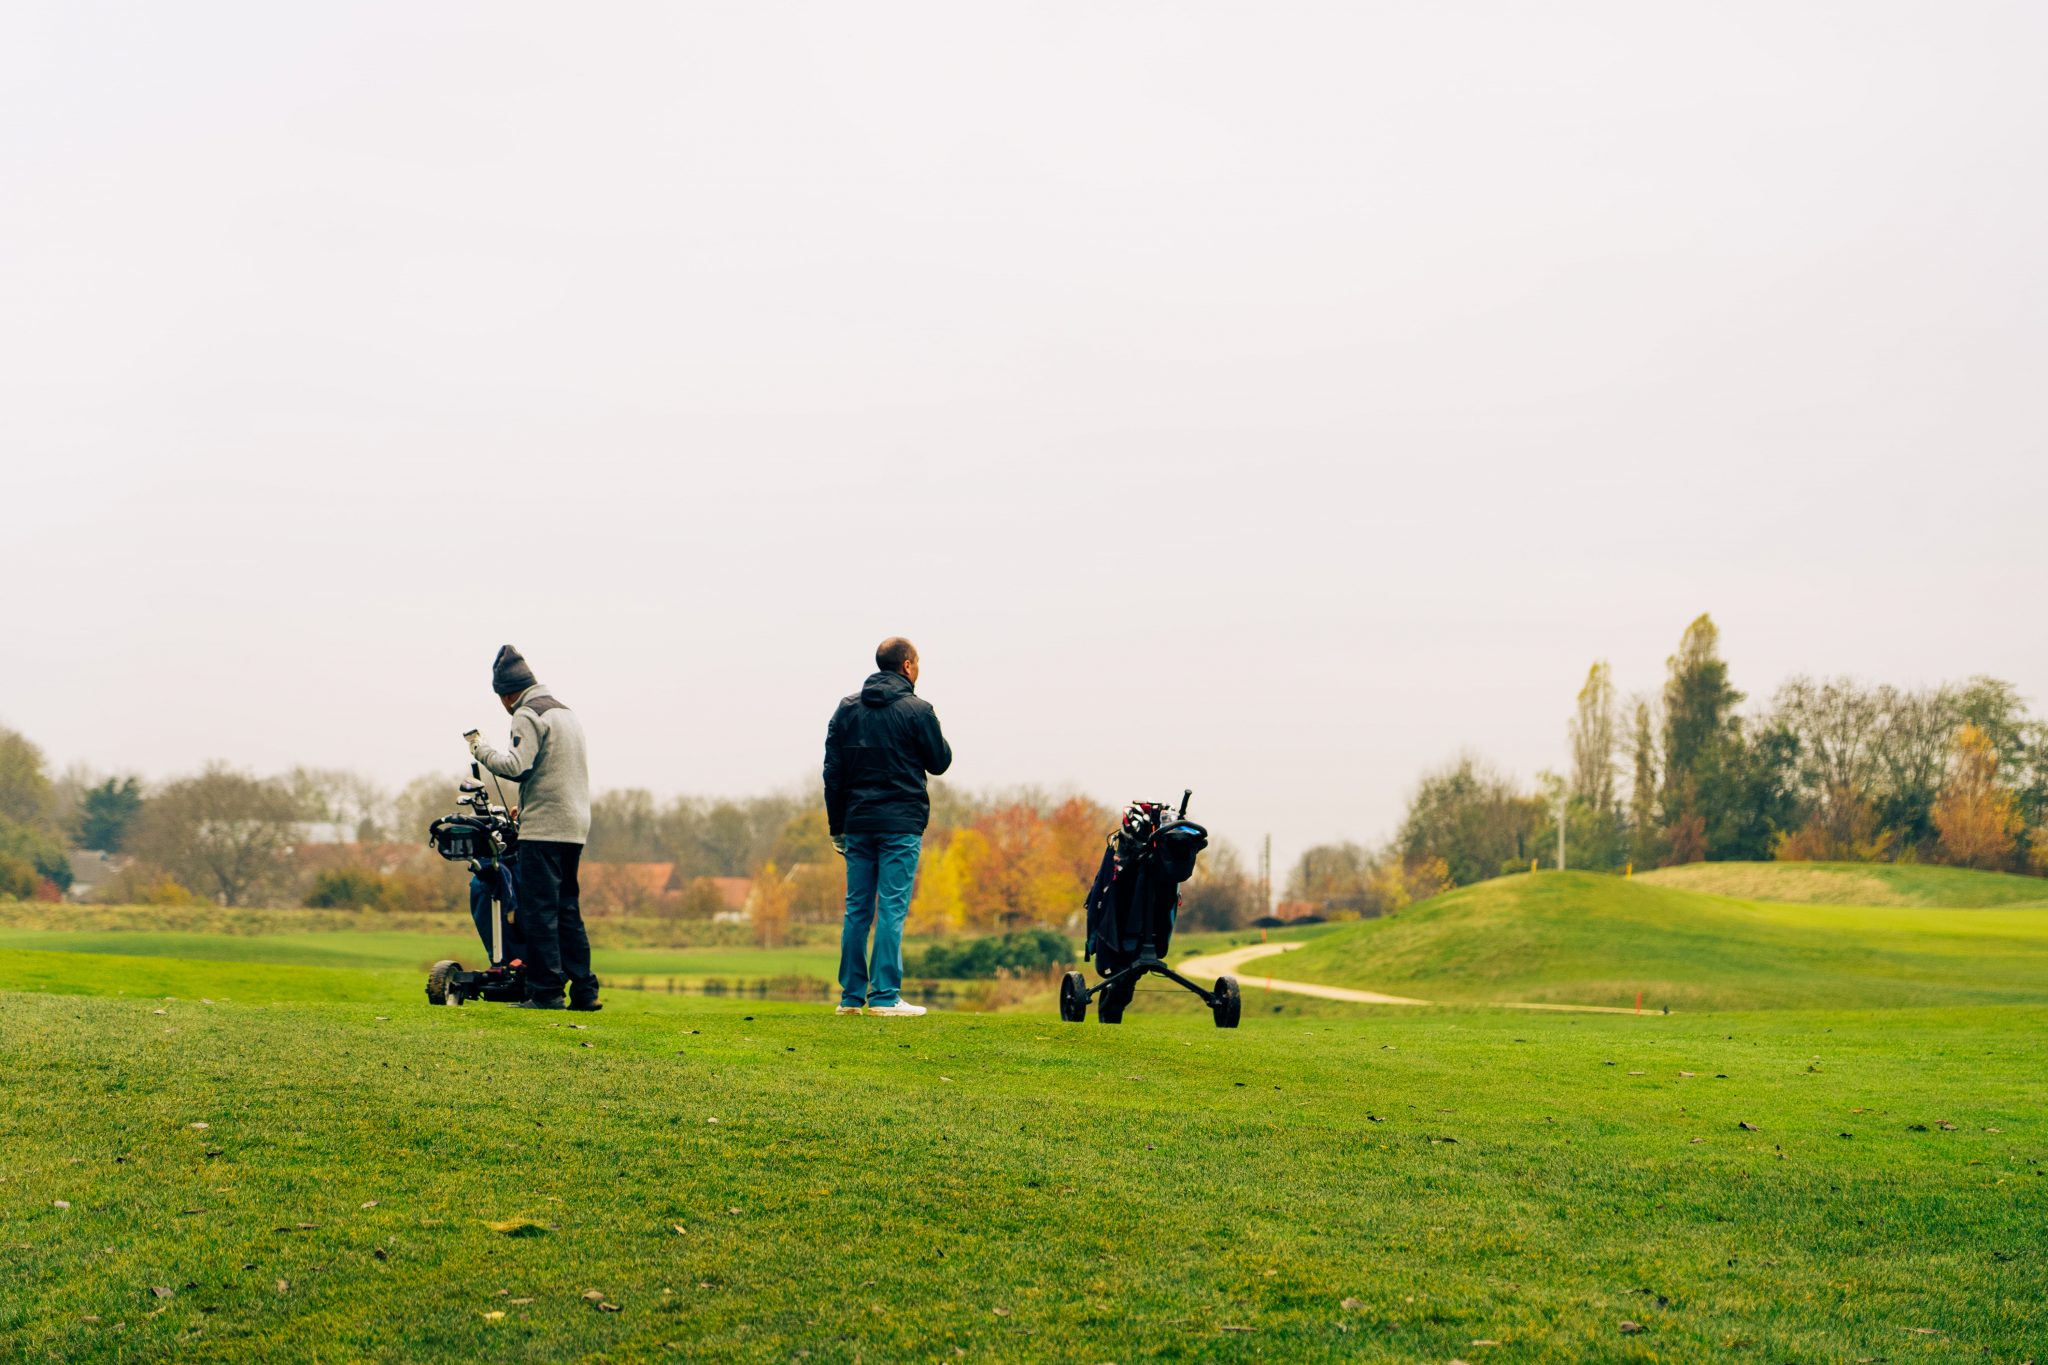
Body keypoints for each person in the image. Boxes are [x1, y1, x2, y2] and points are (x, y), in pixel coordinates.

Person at [823, 636, 952, 1017]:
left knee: (857, 909)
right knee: (892, 907)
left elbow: (832, 773)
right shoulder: (918, 710)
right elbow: (940, 761)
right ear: (908, 666)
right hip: (900, 823)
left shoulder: (846, 710)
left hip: (858, 822)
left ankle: (850, 997)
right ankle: (884, 997)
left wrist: (837, 826)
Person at [466, 645, 598, 1011]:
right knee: (567, 909)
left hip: (545, 831)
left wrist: (481, 750)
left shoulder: (527, 713)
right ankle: (585, 992)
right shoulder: (564, 712)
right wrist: (526, 808)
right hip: (573, 827)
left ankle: (546, 993)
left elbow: (518, 767)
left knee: (536, 911)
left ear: (507, 694)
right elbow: (553, 772)